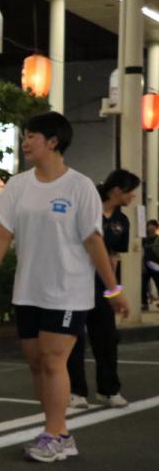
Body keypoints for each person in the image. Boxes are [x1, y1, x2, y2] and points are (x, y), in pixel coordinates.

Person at [0, 112, 129, 463]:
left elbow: (93, 240)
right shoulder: (18, 185)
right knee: (36, 363)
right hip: (28, 288)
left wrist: (112, 289)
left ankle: (54, 432)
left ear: (53, 141)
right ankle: (58, 431)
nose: (26, 142)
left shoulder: (80, 186)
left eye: (32, 136)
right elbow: (3, 234)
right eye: (25, 136)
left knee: (52, 359)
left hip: (68, 290)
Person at [65, 168, 138, 409]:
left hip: (101, 286)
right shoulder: (87, 208)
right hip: (75, 283)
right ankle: (76, 391)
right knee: (75, 339)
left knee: (107, 338)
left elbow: (114, 257)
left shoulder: (122, 221)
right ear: (117, 190)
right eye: (131, 192)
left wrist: (112, 290)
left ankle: (108, 390)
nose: (133, 197)